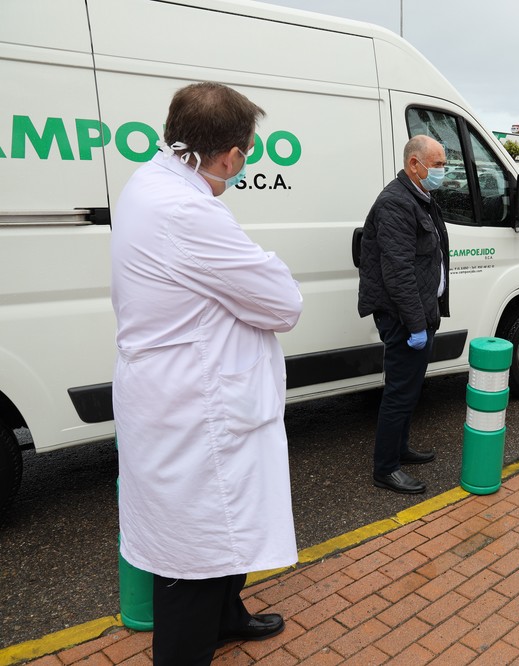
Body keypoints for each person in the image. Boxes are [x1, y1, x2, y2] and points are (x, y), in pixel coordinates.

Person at [111, 82, 302, 663]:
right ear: (231, 155)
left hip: (191, 396)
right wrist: (266, 266)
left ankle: (227, 616)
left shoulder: (153, 180)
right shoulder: (187, 212)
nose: (244, 161)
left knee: (223, 534)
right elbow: (283, 304)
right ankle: (186, 649)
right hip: (196, 411)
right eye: (246, 150)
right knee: (193, 551)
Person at [358, 135, 450, 494]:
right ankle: (386, 468)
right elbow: (398, 273)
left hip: (420, 312)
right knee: (399, 392)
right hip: (403, 317)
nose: (443, 171)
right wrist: (415, 324)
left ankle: (400, 448)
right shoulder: (396, 203)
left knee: (410, 389)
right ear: (415, 164)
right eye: (438, 164)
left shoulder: (421, 198)